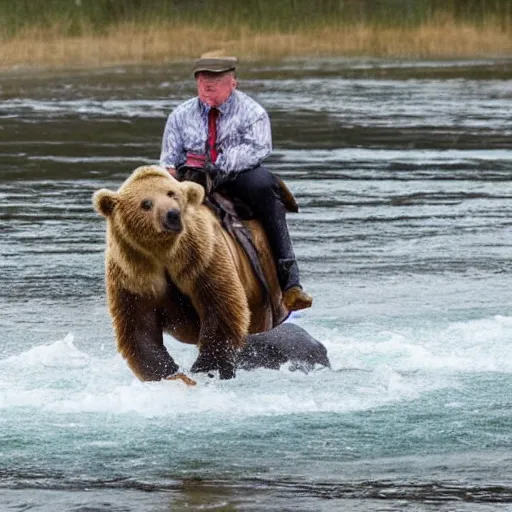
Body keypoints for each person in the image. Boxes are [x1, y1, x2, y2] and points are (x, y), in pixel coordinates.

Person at [160, 56, 312, 312]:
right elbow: (168, 160)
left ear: (233, 83)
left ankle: (290, 283)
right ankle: (150, 284)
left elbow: (259, 149)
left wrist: (218, 168)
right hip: (191, 178)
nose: (208, 85)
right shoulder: (179, 115)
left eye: (216, 80)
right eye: (203, 80)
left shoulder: (253, 113)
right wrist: (176, 178)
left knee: (265, 187)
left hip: (238, 175)